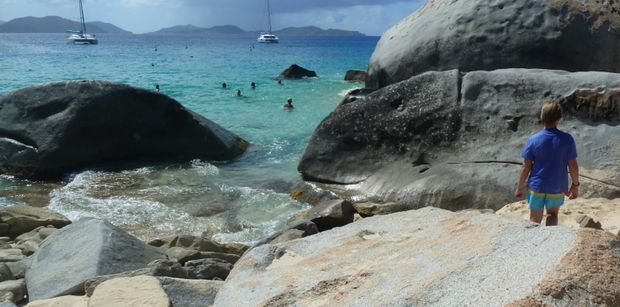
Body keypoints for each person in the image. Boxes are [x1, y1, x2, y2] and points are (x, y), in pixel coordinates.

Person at [515, 100, 579, 226]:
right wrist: (575, 185)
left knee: (534, 220)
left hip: (537, 186)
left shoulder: (533, 139)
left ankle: (534, 244)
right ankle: (551, 243)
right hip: (556, 187)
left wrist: (520, 186)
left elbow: (526, 166)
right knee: (553, 215)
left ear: (541, 117)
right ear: (559, 118)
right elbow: (573, 166)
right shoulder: (567, 139)